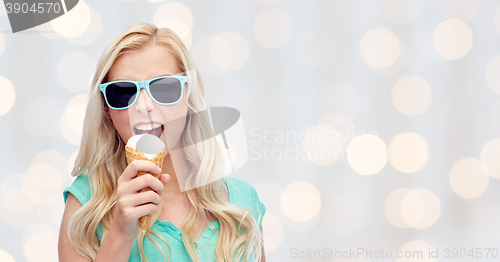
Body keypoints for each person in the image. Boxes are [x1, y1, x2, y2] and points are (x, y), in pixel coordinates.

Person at [58, 23, 266, 262]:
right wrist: (120, 232)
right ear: (107, 110)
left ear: (188, 97)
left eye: (164, 88)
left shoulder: (241, 203)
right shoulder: (86, 203)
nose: (144, 106)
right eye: (123, 92)